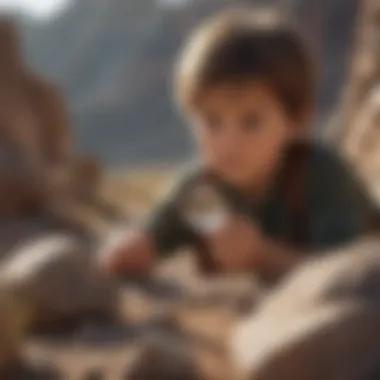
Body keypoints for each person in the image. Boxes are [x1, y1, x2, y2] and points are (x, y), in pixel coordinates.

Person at [101, 9, 378, 283]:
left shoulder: (320, 175)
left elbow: (351, 270)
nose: (228, 142)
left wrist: (262, 254)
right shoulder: (201, 194)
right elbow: (153, 239)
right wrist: (133, 250)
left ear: (297, 121)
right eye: (211, 121)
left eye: (251, 122)